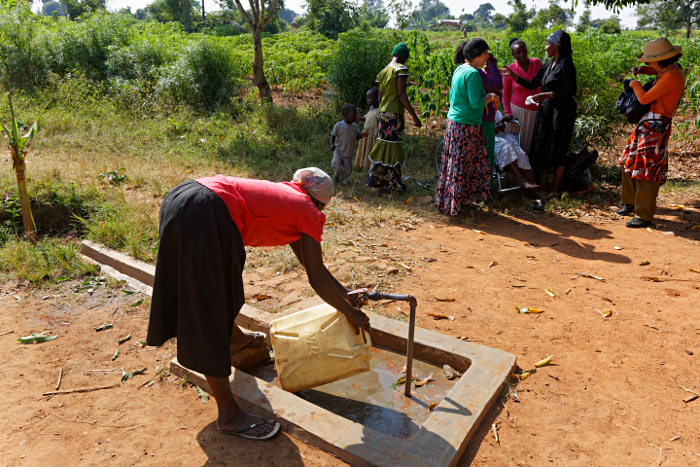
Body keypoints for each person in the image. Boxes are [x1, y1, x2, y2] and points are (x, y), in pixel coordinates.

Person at [146, 168, 370, 440]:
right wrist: (350, 313)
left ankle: (235, 341)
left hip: (184, 196)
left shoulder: (289, 197)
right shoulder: (309, 211)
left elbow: (316, 269)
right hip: (209, 211)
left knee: (217, 290)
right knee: (210, 306)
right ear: (322, 202)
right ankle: (229, 414)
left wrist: (345, 294)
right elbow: (317, 279)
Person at [500, 30, 577, 199]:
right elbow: (532, 84)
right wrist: (513, 75)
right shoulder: (549, 65)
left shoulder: (566, 63)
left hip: (562, 110)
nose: (545, 47)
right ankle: (542, 185)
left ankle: (555, 188)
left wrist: (545, 95)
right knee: (546, 144)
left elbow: (571, 90)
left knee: (558, 146)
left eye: (548, 44)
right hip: (548, 109)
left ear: (556, 45)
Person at [618, 38, 685, 228]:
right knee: (630, 161)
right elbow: (657, 72)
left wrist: (635, 84)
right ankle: (630, 203)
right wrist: (643, 71)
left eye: (649, 61)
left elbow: (645, 97)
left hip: (655, 125)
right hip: (648, 123)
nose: (647, 63)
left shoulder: (672, 75)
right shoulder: (668, 70)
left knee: (647, 169)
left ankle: (644, 215)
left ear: (661, 60)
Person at [435, 38, 500, 216]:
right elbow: (476, 104)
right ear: (478, 55)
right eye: (486, 52)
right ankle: (456, 204)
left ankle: (452, 201)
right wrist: (491, 96)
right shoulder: (472, 74)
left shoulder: (461, 69)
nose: (488, 55)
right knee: (463, 164)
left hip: (455, 123)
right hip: (466, 126)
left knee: (455, 163)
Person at [366, 42, 422, 196]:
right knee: (393, 147)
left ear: (392, 55)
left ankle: (386, 182)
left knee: (384, 145)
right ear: (404, 58)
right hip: (394, 114)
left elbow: (379, 96)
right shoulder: (400, 69)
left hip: (382, 113)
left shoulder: (383, 71)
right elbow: (401, 95)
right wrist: (415, 117)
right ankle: (388, 186)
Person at [502, 38, 542, 155]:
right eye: (517, 52)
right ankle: (519, 167)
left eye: (523, 51)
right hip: (519, 110)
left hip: (537, 108)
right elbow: (506, 94)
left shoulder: (537, 63)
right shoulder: (510, 70)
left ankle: (531, 166)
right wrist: (508, 112)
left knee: (535, 139)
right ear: (513, 54)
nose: (522, 54)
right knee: (519, 140)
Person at [494, 111, 540, 191]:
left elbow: (502, 126)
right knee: (506, 146)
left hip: (501, 134)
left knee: (519, 152)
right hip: (488, 136)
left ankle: (533, 188)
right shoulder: (479, 111)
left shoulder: (496, 111)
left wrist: (499, 126)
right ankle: (519, 178)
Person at [478, 53, 503, 185]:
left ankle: (486, 186)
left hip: (489, 117)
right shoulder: (482, 74)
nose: (487, 66)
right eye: (485, 63)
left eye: (490, 64)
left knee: (487, 152)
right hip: (484, 119)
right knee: (485, 152)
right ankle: (485, 187)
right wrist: (493, 66)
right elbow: (498, 86)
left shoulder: (489, 74)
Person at [331, 104, 369, 185]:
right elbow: (333, 135)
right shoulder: (339, 125)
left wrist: (362, 135)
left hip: (349, 152)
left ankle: (345, 180)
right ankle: (336, 177)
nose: (355, 117)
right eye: (353, 115)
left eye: (356, 114)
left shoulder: (355, 126)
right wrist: (332, 144)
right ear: (345, 115)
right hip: (339, 151)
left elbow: (357, 136)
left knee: (348, 169)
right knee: (337, 164)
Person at [355, 87, 380, 169]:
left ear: (378, 98)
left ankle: (374, 168)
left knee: (372, 151)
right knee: (367, 150)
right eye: (367, 98)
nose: (368, 100)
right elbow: (368, 119)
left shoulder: (380, 110)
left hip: (374, 135)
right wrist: (360, 119)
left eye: (370, 98)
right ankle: (368, 167)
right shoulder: (371, 107)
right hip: (367, 134)